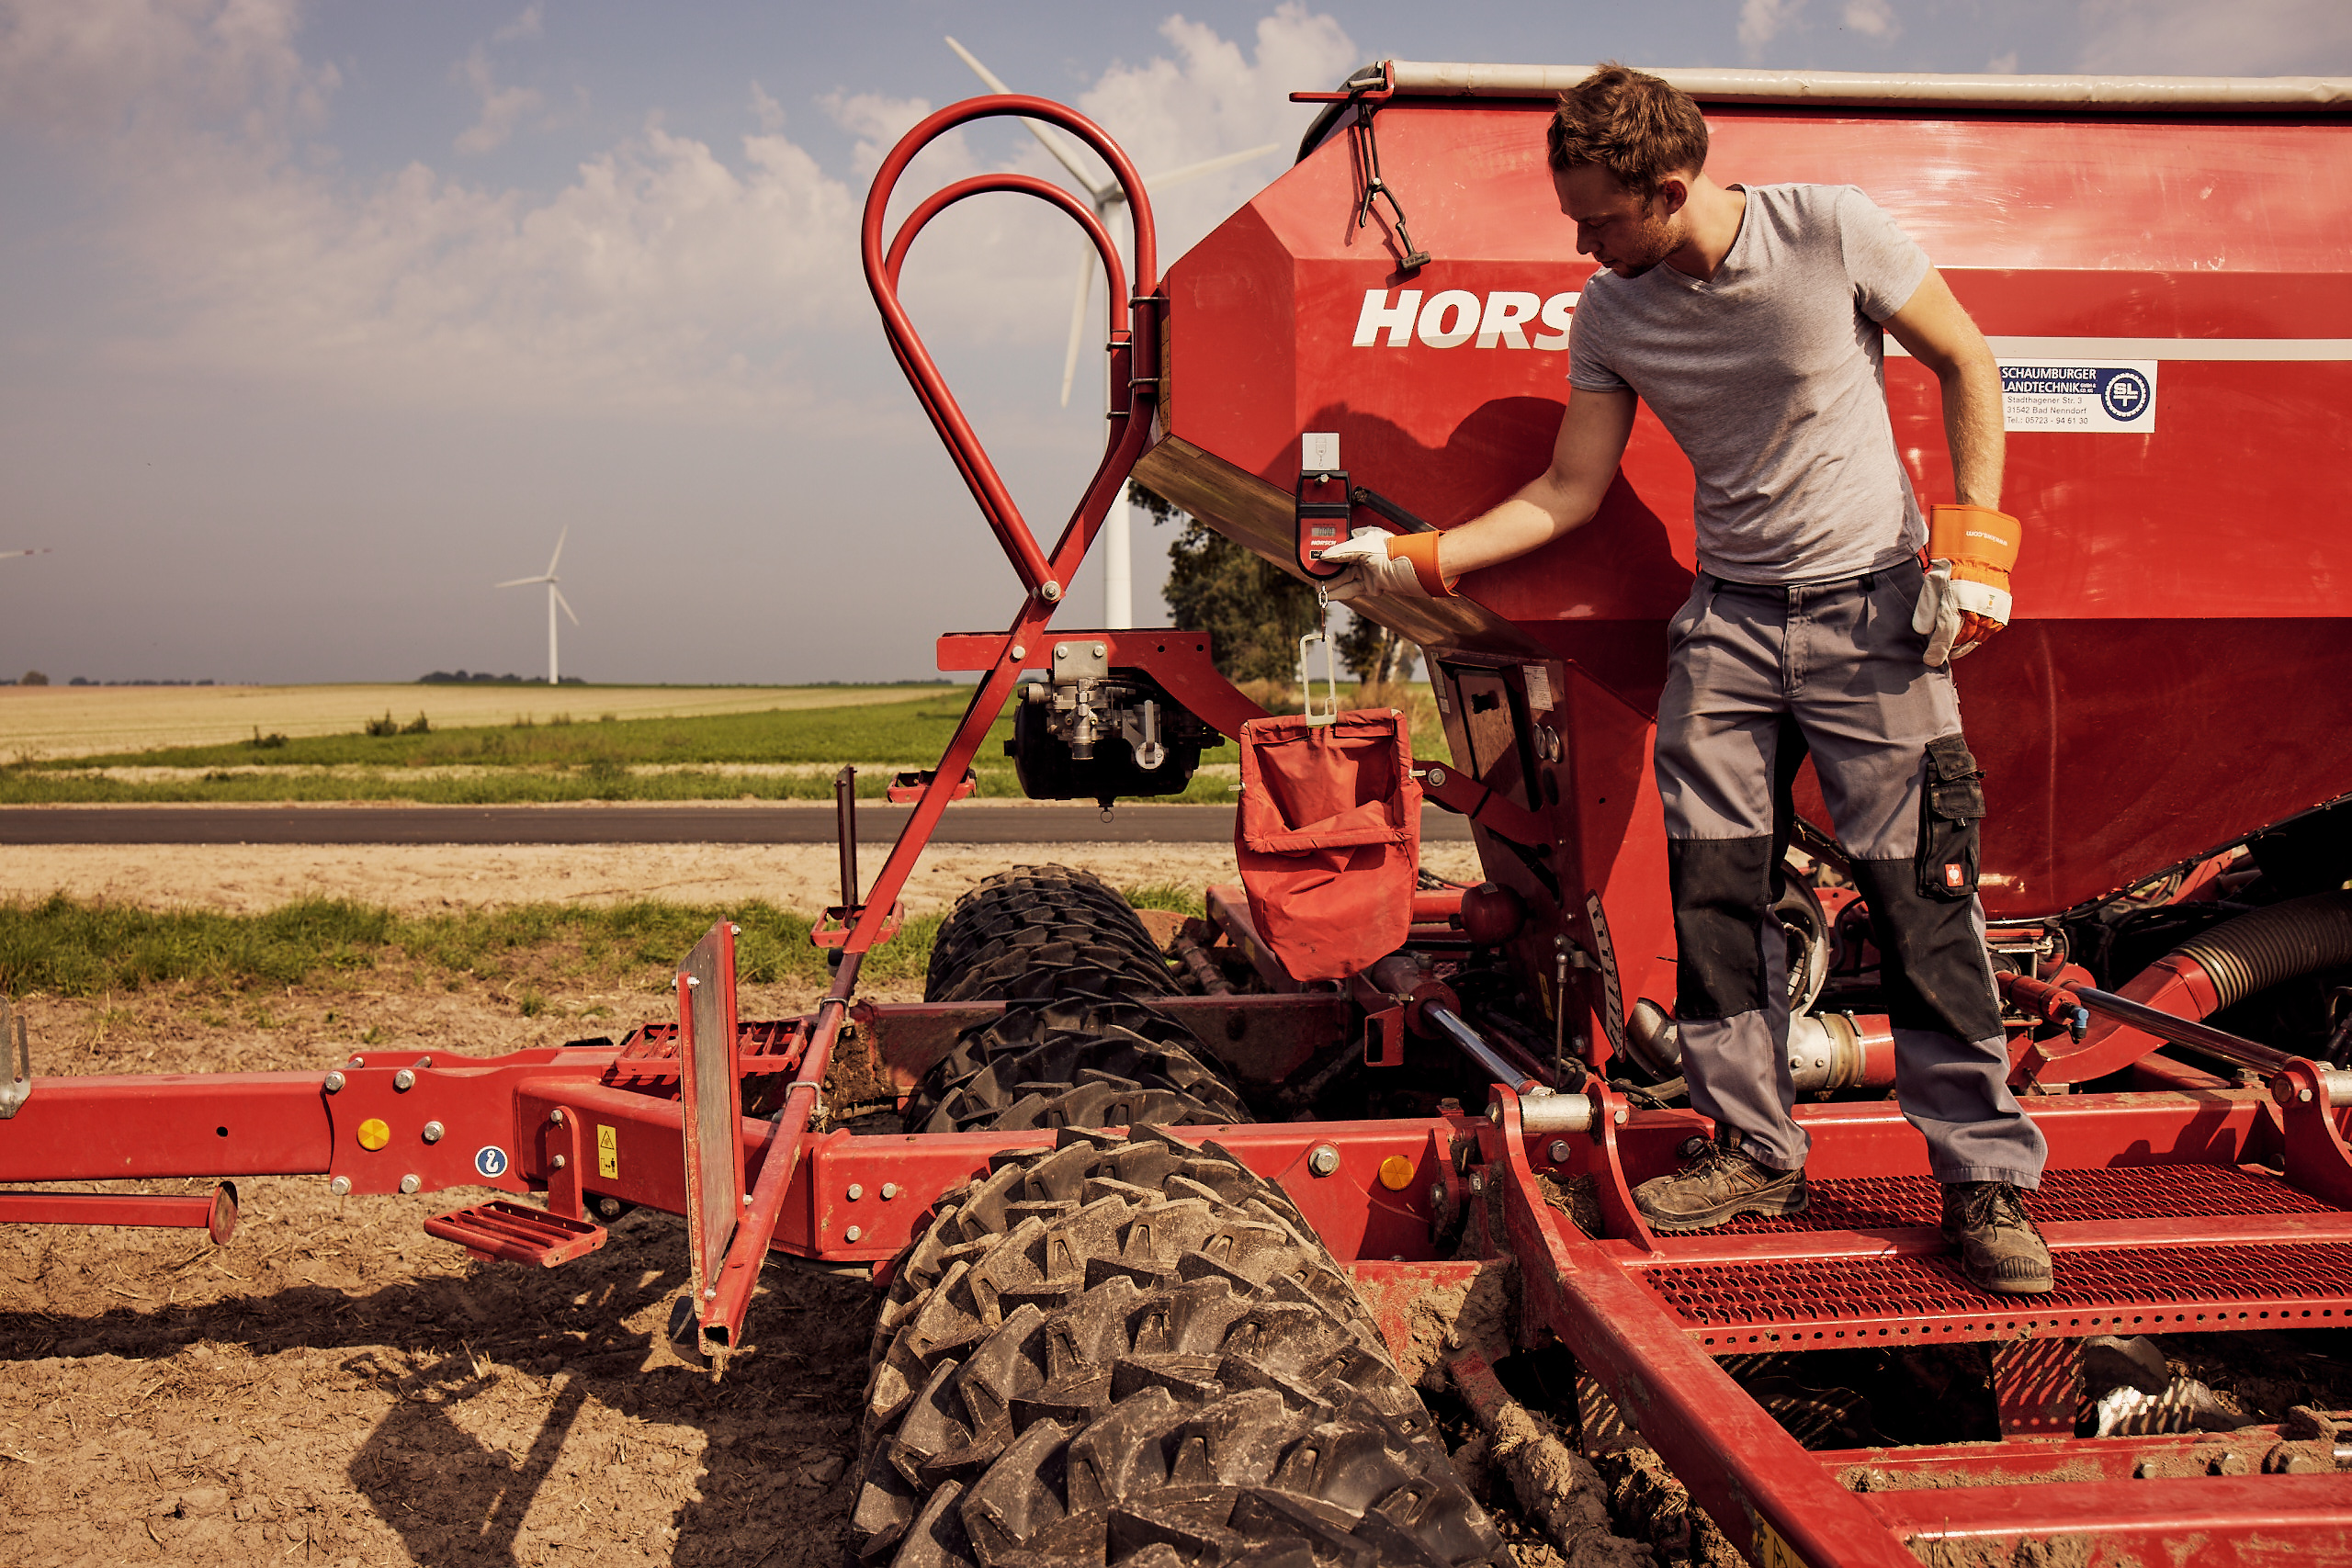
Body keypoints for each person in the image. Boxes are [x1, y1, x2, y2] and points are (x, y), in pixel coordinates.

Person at [1321, 64, 2050, 1295]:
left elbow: (1969, 363)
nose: (1582, 242)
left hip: (1875, 614)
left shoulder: (1832, 232)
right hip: (1728, 631)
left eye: (1600, 218)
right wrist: (1415, 555)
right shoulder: (1613, 311)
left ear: (1669, 189)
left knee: (1924, 898)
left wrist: (1979, 552)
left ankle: (1984, 1183)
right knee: (1715, 902)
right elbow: (1570, 490)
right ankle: (1754, 1153)